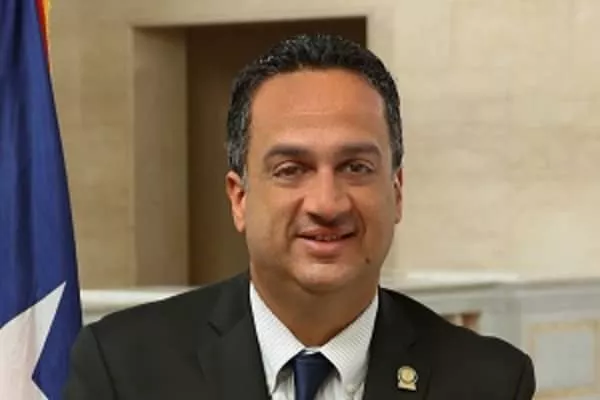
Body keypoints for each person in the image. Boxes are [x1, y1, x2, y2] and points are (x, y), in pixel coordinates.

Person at [64, 33, 535, 400]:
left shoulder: (488, 382)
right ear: (239, 199)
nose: (327, 204)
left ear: (396, 193)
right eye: (291, 170)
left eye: (356, 167)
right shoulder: (124, 368)